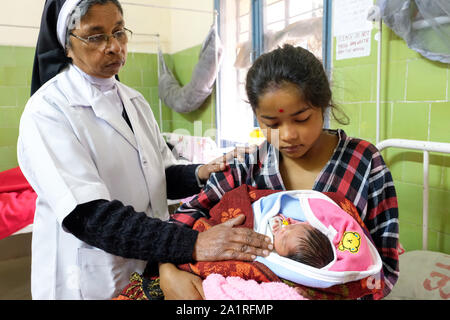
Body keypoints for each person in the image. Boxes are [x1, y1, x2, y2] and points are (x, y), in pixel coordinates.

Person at [17, 0, 272, 300]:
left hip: (145, 266)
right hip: (87, 278)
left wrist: (201, 172)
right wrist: (193, 243)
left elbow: (159, 173)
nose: (113, 46)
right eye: (95, 36)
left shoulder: (134, 101)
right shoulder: (48, 111)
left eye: (118, 31)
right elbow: (88, 216)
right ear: (67, 46)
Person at [165, 44, 399, 300]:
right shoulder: (248, 165)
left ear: (323, 105)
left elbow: (383, 264)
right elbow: (187, 215)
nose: (287, 135)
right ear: (257, 116)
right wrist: (167, 270)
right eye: (271, 123)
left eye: (301, 119)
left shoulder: (363, 163)